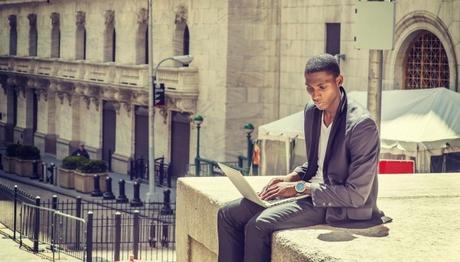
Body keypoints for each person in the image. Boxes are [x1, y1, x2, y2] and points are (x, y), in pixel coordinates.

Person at [217, 54, 391, 262]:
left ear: (339, 82)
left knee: (257, 225)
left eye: (322, 87)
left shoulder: (361, 125)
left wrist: (300, 188)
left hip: (336, 206)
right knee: (227, 214)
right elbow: (318, 162)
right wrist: (290, 178)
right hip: (307, 192)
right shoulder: (313, 112)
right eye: (310, 88)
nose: (315, 95)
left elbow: (357, 195)